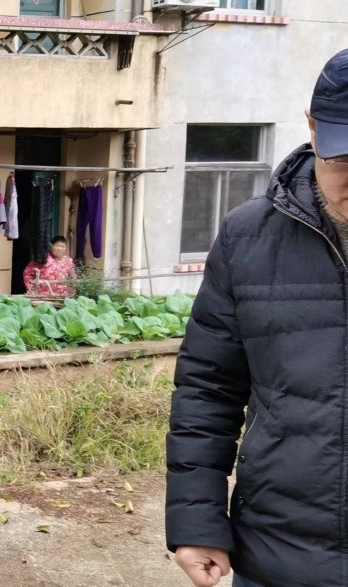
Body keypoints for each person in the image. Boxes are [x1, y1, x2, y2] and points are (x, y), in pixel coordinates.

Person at [167, 49, 348, 587]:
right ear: (313, 128)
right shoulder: (247, 238)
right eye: (345, 162)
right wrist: (197, 522)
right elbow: (208, 388)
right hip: (282, 552)